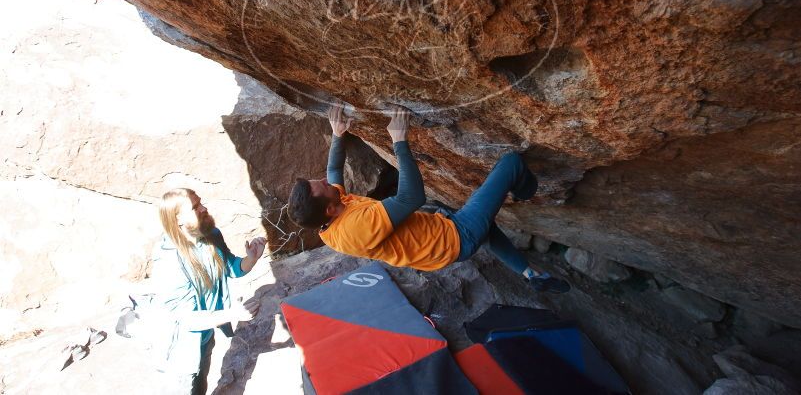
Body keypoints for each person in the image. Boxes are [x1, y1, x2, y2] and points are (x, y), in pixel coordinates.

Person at [288, 105, 570, 294]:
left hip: (441, 237)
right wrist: (399, 141)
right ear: (328, 208)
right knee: (510, 164)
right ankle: (525, 191)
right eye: (323, 186)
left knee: (488, 228)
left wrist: (338, 134)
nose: (326, 181)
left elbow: (333, 170)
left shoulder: (329, 217)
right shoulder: (356, 228)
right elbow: (412, 197)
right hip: (456, 238)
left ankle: (531, 275)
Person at [150, 188, 267, 394]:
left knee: (201, 384)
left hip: (205, 337)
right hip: (181, 348)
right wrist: (231, 314)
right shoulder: (169, 262)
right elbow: (184, 319)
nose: (204, 208)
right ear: (177, 220)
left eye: (200, 203)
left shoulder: (210, 235)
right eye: (195, 207)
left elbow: (231, 267)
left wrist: (251, 258)